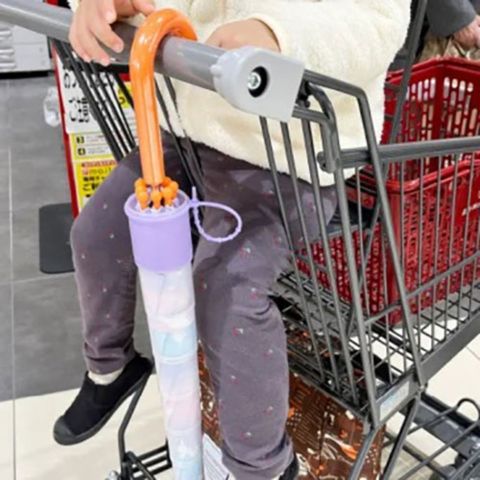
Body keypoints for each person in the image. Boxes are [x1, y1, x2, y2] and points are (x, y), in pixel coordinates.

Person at [54, 1, 411, 479]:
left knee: (226, 284)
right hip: (187, 132)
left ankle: (263, 465)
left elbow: (377, 21)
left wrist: (277, 32)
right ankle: (110, 368)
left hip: (289, 152)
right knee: (95, 234)